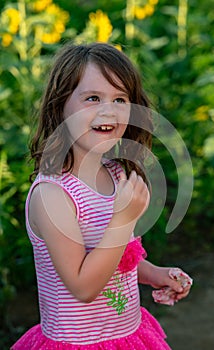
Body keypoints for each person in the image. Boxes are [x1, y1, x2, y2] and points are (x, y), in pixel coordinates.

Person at [12, 42, 192, 350]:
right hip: (77, 343)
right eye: (93, 98)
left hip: (128, 335)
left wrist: (154, 274)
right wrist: (122, 220)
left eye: (120, 99)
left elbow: (118, 257)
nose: (108, 110)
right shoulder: (53, 195)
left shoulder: (115, 174)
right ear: (60, 106)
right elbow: (83, 286)